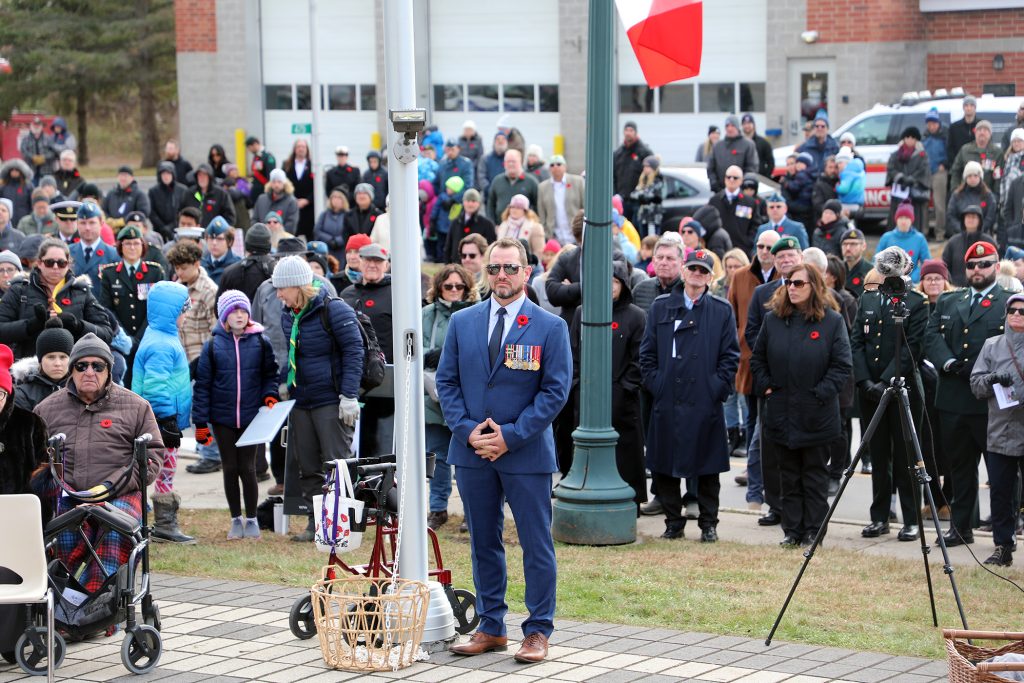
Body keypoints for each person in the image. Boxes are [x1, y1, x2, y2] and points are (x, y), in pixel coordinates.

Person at [437, 237, 571, 663]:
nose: (501, 276)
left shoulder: (550, 327)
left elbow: (555, 392)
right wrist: (467, 431)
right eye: (494, 268)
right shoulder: (463, 322)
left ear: (527, 273)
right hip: (472, 452)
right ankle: (491, 626)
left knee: (535, 543)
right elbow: (447, 384)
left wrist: (510, 435)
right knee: (482, 541)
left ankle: (537, 631)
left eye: (511, 268)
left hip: (525, 453)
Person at [34, 333, 164, 592]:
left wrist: (108, 486)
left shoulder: (137, 406)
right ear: (72, 371)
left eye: (98, 366)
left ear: (108, 370)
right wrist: (61, 486)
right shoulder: (46, 409)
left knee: (117, 533)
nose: (89, 371)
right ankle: (64, 610)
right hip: (67, 493)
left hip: (119, 491)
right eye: (81, 366)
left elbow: (151, 459)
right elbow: (36, 460)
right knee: (62, 537)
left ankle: (98, 610)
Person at [640, 248, 739, 541]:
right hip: (668, 399)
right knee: (664, 466)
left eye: (703, 271)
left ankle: (709, 523)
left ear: (711, 277)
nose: (697, 275)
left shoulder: (721, 310)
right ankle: (673, 521)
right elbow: (646, 355)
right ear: (684, 271)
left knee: (707, 469)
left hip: (703, 401)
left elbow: (730, 357)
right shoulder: (660, 307)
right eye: (693, 269)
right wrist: (658, 385)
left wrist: (715, 388)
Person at [750, 263, 852, 546]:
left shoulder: (831, 321)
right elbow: (757, 360)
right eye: (789, 283)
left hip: (816, 414)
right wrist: (768, 388)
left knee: (815, 478)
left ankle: (813, 531)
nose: (792, 288)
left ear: (814, 287)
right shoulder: (773, 320)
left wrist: (820, 393)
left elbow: (842, 365)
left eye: (798, 283)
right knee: (789, 477)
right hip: (781, 412)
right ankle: (792, 531)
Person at [925, 241, 1012, 547]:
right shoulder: (950, 301)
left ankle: (1005, 533)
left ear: (997, 267)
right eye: (972, 266)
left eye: (985, 264)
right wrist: (950, 362)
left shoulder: (1009, 302)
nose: (978, 270)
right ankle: (961, 528)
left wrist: (977, 370)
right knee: (960, 470)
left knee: (1000, 474)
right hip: (953, 398)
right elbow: (931, 334)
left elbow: (1012, 345)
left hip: (991, 402)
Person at [273, 256, 363, 541]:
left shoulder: (333, 309)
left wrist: (349, 395)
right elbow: (293, 353)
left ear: (296, 286)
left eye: (281, 289)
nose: (278, 295)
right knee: (308, 466)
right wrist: (286, 382)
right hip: (302, 401)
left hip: (330, 400)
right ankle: (317, 523)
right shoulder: (289, 314)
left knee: (337, 465)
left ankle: (341, 523)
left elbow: (354, 351)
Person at [851, 251, 928, 542]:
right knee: (878, 454)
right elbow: (857, 340)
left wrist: (885, 380)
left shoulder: (916, 302)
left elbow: (913, 348)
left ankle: (910, 519)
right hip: (871, 391)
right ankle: (879, 516)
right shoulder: (868, 299)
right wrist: (865, 381)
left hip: (902, 390)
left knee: (907, 455)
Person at [193, 290, 279, 539]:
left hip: (252, 416)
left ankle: (252, 519)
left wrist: (269, 395)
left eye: (243, 311)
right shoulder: (212, 345)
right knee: (230, 468)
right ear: (224, 316)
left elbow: (269, 375)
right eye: (234, 312)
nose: (239, 316)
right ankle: (235, 519)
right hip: (223, 418)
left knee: (249, 468)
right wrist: (201, 422)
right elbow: (203, 385)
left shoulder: (261, 341)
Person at [744, 236, 806, 525]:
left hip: (805, 382)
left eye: (790, 255)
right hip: (772, 381)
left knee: (803, 446)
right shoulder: (762, 293)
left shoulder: (812, 291)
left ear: (800, 257)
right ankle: (775, 505)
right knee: (770, 447)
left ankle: (802, 505)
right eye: (780, 257)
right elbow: (752, 333)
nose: (785, 260)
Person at [130, 281, 195, 544]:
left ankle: (159, 521)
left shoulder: (161, 336)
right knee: (163, 470)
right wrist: (166, 421)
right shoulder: (161, 344)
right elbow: (156, 387)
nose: (186, 315)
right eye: (183, 310)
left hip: (161, 420)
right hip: (160, 421)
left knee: (160, 470)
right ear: (171, 311)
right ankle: (165, 523)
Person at [969, 293, 1024, 567]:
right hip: (1001, 429)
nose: (1016, 315)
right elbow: (976, 384)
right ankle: (1003, 545)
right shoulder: (992, 345)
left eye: (1022, 311)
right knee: (1001, 492)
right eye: (1012, 310)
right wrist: (992, 380)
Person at [422, 265, 479, 530]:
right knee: (438, 456)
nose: (454, 291)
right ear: (439, 287)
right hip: (434, 395)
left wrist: (442, 353)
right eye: (449, 286)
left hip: (468, 398)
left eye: (460, 286)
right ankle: (437, 508)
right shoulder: (427, 314)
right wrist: (435, 354)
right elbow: (416, 348)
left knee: (470, 459)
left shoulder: (476, 314)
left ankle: (472, 511)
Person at [0, 237, 113, 359]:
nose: (55, 267)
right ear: (39, 263)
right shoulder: (20, 290)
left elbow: (106, 333)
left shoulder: (81, 291)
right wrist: (31, 325)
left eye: (61, 263)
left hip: (72, 366)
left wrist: (78, 326)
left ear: (68, 264)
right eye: (49, 262)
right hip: (27, 365)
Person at [340, 243, 394, 456]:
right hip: (352, 376)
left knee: (383, 440)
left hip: (386, 377)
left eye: (378, 261)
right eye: (368, 260)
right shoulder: (347, 294)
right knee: (354, 439)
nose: (372, 265)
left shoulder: (397, 293)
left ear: (387, 264)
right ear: (359, 262)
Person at [166, 240, 218, 363]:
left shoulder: (209, 291)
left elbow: (216, 332)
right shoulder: (175, 288)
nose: (179, 272)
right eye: (176, 268)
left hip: (202, 360)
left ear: (196, 264)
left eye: (183, 268)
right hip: (179, 360)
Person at [11, 322, 73, 411]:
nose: (57, 363)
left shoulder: (81, 389)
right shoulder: (22, 394)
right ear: (40, 361)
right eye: (51, 357)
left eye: (63, 357)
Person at [885, 126, 931, 231]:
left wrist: (912, 179)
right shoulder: (895, 154)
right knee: (896, 217)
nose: (910, 140)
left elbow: (924, 170)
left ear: (916, 140)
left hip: (914, 194)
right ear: (903, 138)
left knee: (915, 220)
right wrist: (900, 177)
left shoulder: (922, 155)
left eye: (913, 138)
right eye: (907, 137)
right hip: (899, 193)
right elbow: (891, 169)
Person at [217, 222, 274, 302]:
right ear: (269, 246)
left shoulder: (230, 272)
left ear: (247, 245)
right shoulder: (277, 271)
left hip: (237, 314)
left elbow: (219, 307)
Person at [708, 164, 759, 254]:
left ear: (741, 180)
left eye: (735, 178)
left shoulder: (750, 202)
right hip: (719, 249)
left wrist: (748, 241)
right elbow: (709, 223)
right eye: (728, 177)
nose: (731, 180)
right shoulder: (714, 201)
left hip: (742, 250)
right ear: (724, 179)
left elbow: (755, 225)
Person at [942, 204, 997, 287]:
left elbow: (996, 265)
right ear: (963, 219)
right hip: (956, 288)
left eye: (974, 217)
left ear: (980, 220)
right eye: (968, 217)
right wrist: (950, 284)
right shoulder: (953, 242)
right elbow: (944, 265)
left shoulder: (989, 242)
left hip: (983, 287)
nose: (970, 220)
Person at [69, 202, 118, 290]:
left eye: (92, 223)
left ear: (101, 224)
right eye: (83, 223)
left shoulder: (114, 255)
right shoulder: (67, 252)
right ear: (77, 224)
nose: (87, 227)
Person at [877, 202, 929, 283]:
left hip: (911, 282)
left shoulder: (919, 238)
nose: (903, 222)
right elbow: (876, 261)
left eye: (907, 218)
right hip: (888, 281)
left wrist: (915, 277)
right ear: (896, 219)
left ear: (911, 220)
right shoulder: (886, 237)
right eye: (901, 218)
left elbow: (927, 262)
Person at [537, 155, 584, 245]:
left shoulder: (578, 182)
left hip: (576, 235)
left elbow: (584, 206)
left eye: (559, 164)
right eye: (552, 165)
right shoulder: (542, 187)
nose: (555, 167)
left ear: (565, 167)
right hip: (554, 237)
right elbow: (542, 214)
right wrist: (547, 233)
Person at [707, 115, 759, 194]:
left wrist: (741, 185)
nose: (729, 128)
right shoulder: (717, 146)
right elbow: (711, 168)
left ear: (737, 127)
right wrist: (714, 184)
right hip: (720, 191)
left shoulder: (748, 145)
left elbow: (752, 167)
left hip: (741, 192)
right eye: (727, 126)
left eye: (732, 126)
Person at [614, 122, 654, 221]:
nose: (628, 133)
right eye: (626, 130)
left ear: (636, 133)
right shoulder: (618, 153)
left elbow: (652, 175)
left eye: (631, 130)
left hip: (638, 202)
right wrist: (615, 194)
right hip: (622, 200)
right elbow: (613, 176)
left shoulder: (644, 152)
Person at [445, 188, 496, 264]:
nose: (470, 204)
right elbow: (448, 246)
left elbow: (491, 249)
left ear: (478, 204)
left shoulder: (487, 224)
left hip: (478, 268)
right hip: (457, 266)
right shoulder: (456, 222)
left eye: (473, 201)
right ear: (463, 202)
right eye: (468, 201)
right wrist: (447, 265)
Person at [486, 149, 538, 222]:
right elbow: (490, 206)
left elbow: (537, 206)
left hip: (524, 229)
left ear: (521, 162)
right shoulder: (497, 181)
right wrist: (493, 225)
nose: (510, 164)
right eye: (508, 161)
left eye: (513, 161)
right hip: (501, 228)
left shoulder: (531, 182)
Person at [950, 119, 1000, 190]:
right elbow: (955, 171)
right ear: (975, 133)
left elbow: (998, 176)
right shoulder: (965, 150)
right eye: (979, 130)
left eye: (985, 130)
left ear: (990, 134)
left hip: (987, 195)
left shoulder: (997, 152)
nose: (982, 132)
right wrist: (956, 191)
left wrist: (995, 196)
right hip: (965, 194)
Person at [923, 110, 949, 238]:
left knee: (939, 205)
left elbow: (951, 152)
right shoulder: (924, 137)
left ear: (938, 123)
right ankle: (924, 231)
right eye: (929, 123)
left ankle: (940, 233)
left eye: (934, 123)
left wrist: (944, 164)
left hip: (940, 172)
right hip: (926, 173)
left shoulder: (945, 135)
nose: (931, 126)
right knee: (924, 204)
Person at [184, 163, 235, 228]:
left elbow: (230, 217)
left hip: (214, 234)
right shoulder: (189, 193)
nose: (202, 178)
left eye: (204, 175)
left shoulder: (221, 194)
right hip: (193, 233)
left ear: (210, 177)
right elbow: (181, 213)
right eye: (199, 175)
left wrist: (220, 229)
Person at [147, 161, 187, 242]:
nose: (166, 177)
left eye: (168, 174)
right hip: (159, 230)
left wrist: (172, 225)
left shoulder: (182, 190)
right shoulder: (153, 191)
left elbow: (184, 209)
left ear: (173, 175)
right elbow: (151, 212)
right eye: (163, 174)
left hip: (178, 228)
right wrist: (162, 227)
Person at [102, 166, 151, 231]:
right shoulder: (111, 194)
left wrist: (124, 221)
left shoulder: (139, 194)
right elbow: (103, 209)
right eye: (121, 176)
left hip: (131, 232)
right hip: (112, 231)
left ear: (132, 178)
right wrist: (109, 220)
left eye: (125, 176)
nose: (123, 178)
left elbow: (143, 212)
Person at [284, 139, 315, 239]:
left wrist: (307, 200)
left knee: (310, 236)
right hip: (292, 206)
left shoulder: (313, 165)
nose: (301, 149)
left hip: (309, 208)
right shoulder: (287, 165)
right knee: (291, 236)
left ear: (307, 149)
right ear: (294, 149)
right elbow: (284, 184)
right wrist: (293, 200)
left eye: (303, 147)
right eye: (298, 146)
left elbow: (317, 186)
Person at [496, 194, 544, 258]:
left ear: (525, 210)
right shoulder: (503, 225)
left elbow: (538, 252)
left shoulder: (535, 227)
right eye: (512, 207)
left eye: (518, 208)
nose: (514, 210)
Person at [781, 152, 816, 232]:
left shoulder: (807, 177)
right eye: (788, 164)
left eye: (792, 163)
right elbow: (787, 203)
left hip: (809, 220)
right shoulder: (786, 181)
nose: (790, 167)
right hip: (794, 218)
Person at [1000, 128, 1024, 233]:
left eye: (1019, 141)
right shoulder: (1007, 159)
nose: (1016, 143)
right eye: (1014, 141)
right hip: (1007, 198)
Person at [18, 116, 53, 184]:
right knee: (32, 191)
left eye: (38, 124)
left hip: (46, 171)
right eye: (34, 124)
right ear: (31, 126)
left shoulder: (48, 138)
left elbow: (53, 152)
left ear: (41, 126)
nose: (36, 126)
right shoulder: (25, 139)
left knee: (45, 192)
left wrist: (44, 157)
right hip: (31, 170)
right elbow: (23, 151)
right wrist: (33, 157)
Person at [0, 159, 34, 227]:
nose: (14, 172)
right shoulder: (3, 187)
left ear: (21, 172)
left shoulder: (28, 186)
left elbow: (32, 205)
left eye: (16, 170)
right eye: (12, 170)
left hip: (24, 221)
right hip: (6, 221)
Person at [742, 113, 775, 179]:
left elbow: (771, 162)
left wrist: (766, 177)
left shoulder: (763, 142)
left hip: (760, 179)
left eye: (749, 123)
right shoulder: (739, 143)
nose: (747, 126)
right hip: (742, 179)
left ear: (754, 125)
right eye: (744, 124)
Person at [477, 132, 508, 201]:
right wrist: (490, 190)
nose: (500, 141)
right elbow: (481, 176)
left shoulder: (510, 158)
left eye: (503, 139)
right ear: (494, 142)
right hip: (489, 197)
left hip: (506, 197)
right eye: (498, 139)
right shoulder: (485, 158)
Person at [835, 148, 866, 217]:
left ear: (847, 162)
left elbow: (844, 188)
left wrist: (837, 187)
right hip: (857, 203)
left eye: (840, 163)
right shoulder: (860, 171)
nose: (838, 166)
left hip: (847, 203)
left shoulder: (847, 173)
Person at [245, 136, 276, 202]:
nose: (249, 150)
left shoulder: (267, 157)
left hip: (264, 191)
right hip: (257, 192)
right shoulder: (257, 156)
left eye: (249, 147)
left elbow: (270, 175)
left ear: (255, 144)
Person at [811, 156, 839, 223]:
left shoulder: (842, 182)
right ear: (825, 168)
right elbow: (818, 205)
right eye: (830, 167)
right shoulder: (819, 184)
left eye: (835, 167)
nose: (833, 170)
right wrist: (833, 213)